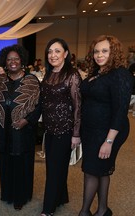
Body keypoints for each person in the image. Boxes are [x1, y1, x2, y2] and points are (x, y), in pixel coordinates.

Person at [78, 35, 133, 216]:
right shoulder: (97, 72)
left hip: (108, 132)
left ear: (114, 52)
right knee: (100, 170)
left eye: (104, 51)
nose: (99, 55)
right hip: (91, 130)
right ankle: (103, 210)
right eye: (96, 51)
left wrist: (108, 141)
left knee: (91, 171)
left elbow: (120, 110)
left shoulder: (120, 74)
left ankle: (84, 212)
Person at [0, 44, 41, 211]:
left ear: (22, 61)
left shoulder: (31, 80)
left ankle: (21, 196)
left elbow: (38, 106)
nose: (12, 62)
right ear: (5, 63)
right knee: (6, 161)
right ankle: (7, 193)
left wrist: (27, 120)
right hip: (3, 129)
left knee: (21, 163)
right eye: (9, 59)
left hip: (23, 131)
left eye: (16, 58)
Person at [40, 38, 82, 216]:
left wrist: (76, 134)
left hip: (65, 131)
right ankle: (61, 197)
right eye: (50, 51)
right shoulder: (49, 74)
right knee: (54, 167)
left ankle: (48, 209)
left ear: (65, 54)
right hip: (49, 130)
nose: (53, 55)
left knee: (55, 170)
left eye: (57, 51)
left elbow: (78, 106)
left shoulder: (72, 75)